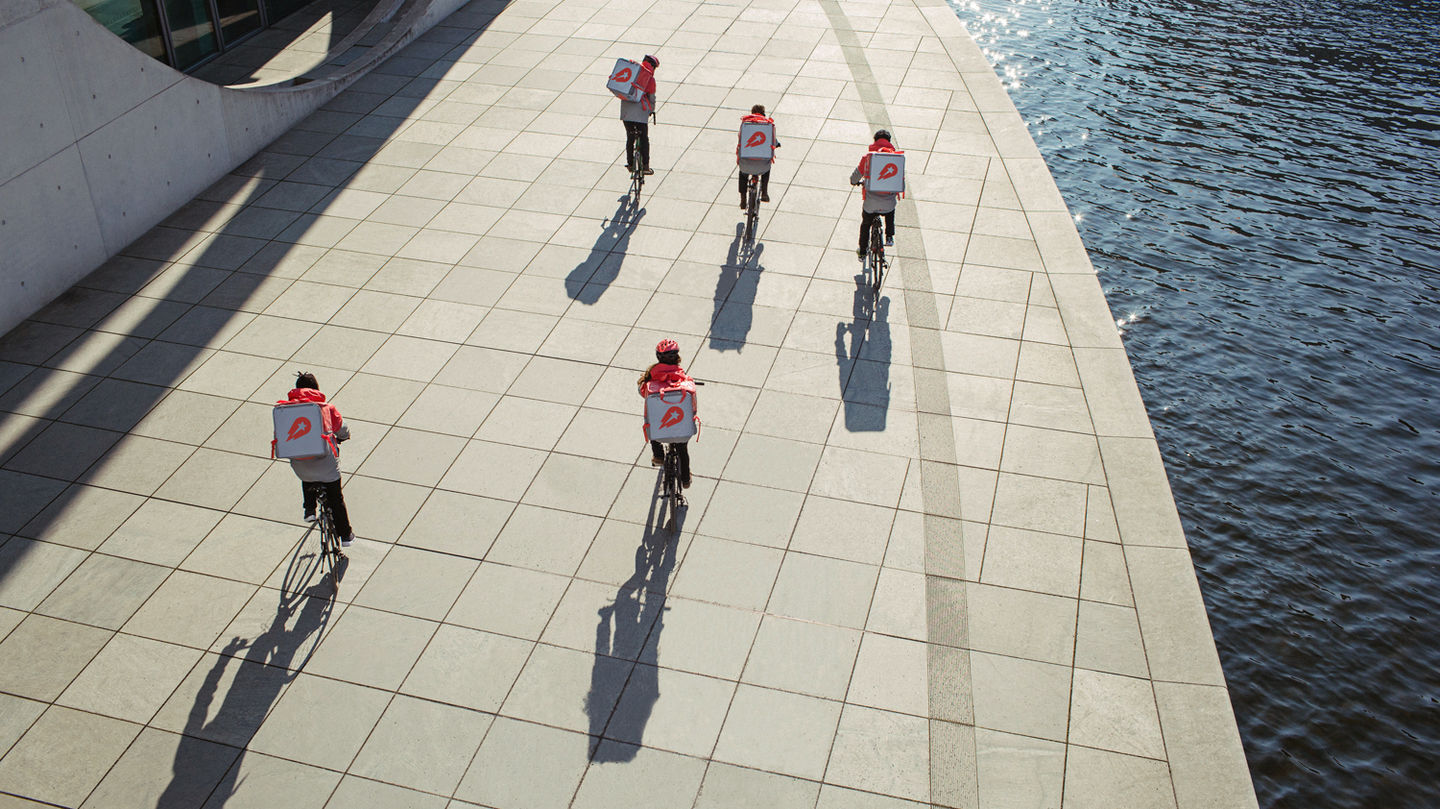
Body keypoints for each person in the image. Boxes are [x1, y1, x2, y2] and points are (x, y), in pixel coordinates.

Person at [277, 372, 354, 547]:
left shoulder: (285, 411)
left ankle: (309, 509)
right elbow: (342, 429)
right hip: (326, 466)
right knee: (336, 498)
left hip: (300, 468)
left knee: (306, 470)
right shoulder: (325, 408)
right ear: (316, 388)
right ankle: (346, 536)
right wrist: (343, 437)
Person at [637, 338, 693, 488]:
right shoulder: (683, 377)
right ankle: (686, 479)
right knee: (682, 450)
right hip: (681, 429)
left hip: (660, 431)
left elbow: (643, 392)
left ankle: (658, 455)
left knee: (652, 423)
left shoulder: (652, 374)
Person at [849, 129, 900, 257]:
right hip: (888, 203)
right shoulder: (896, 159)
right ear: (889, 142)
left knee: (866, 223)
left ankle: (862, 251)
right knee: (890, 212)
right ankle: (889, 236)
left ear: (875, 141)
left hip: (871, 203)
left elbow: (855, 177)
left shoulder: (868, 158)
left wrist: (854, 182)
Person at [621, 54, 659, 175]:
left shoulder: (631, 73)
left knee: (630, 137)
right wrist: (651, 110)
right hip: (640, 113)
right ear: (653, 67)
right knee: (643, 139)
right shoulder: (650, 79)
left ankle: (630, 164)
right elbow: (651, 98)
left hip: (626, 111)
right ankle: (646, 166)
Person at [737, 104, 779, 207]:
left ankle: (743, 199)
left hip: (746, 164)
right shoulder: (768, 125)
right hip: (762, 165)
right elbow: (773, 142)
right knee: (766, 170)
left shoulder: (745, 124)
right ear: (763, 114)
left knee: (743, 174)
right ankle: (764, 193)